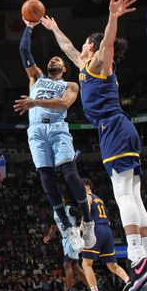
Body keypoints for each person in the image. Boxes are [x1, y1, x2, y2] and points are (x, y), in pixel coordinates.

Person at [41, 0, 147, 291]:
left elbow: (108, 42)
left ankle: (138, 258)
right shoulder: (84, 67)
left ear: (93, 47)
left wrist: (113, 16)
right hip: (120, 130)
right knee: (133, 192)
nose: (82, 44)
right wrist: (54, 28)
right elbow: (69, 47)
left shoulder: (99, 61)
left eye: (87, 41)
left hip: (114, 129)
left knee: (123, 192)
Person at [14, 19, 95, 254]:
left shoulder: (71, 85)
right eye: (52, 59)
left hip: (58, 128)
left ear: (64, 68)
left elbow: (62, 105)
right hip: (36, 131)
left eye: (58, 59)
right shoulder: (36, 77)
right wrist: (29, 26)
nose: (53, 60)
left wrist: (35, 101)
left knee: (70, 175)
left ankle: (87, 221)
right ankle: (69, 228)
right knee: (46, 179)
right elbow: (23, 50)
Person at [80, 178, 132, 291]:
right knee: (112, 265)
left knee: (86, 264)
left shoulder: (87, 196)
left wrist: (81, 228)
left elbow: (87, 210)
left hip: (95, 229)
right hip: (107, 231)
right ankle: (130, 283)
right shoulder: (100, 199)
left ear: (86, 187)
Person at [42, 201, 87, 291]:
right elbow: (53, 227)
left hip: (73, 237)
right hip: (65, 240)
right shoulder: (54, 212)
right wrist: (49, 237)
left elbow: (82, 215)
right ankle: (93, 290)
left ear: (64, 201)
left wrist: (78, 229)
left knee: (66, 264)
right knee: (75, 266)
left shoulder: (70, 209)